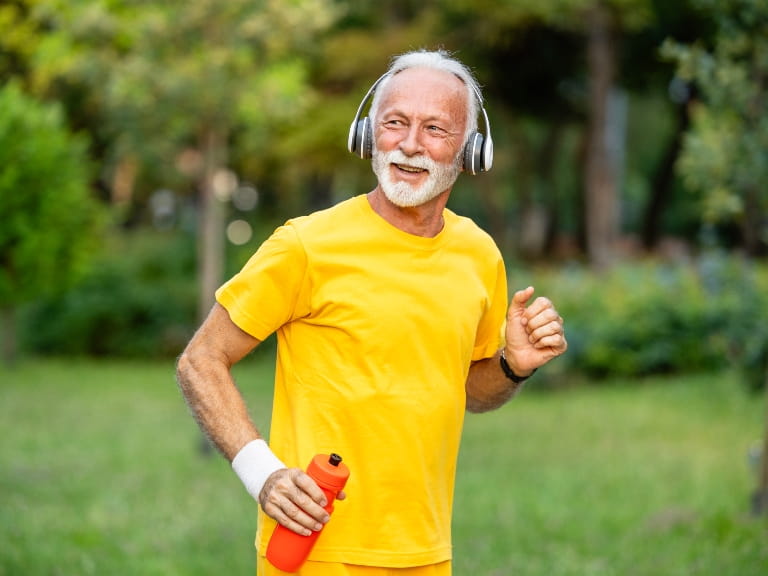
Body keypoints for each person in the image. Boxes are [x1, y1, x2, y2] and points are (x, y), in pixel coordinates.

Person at [176, 49, 567, 576]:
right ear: (367, 134)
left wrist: (512, 365)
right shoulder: (307, 245)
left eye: (434, 128)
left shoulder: (479, 255)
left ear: (472, 151)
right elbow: (201, 360)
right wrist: (263, 475)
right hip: (315, 551)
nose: (409, 144)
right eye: (395, 123)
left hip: (426, 551)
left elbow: (470, 392)